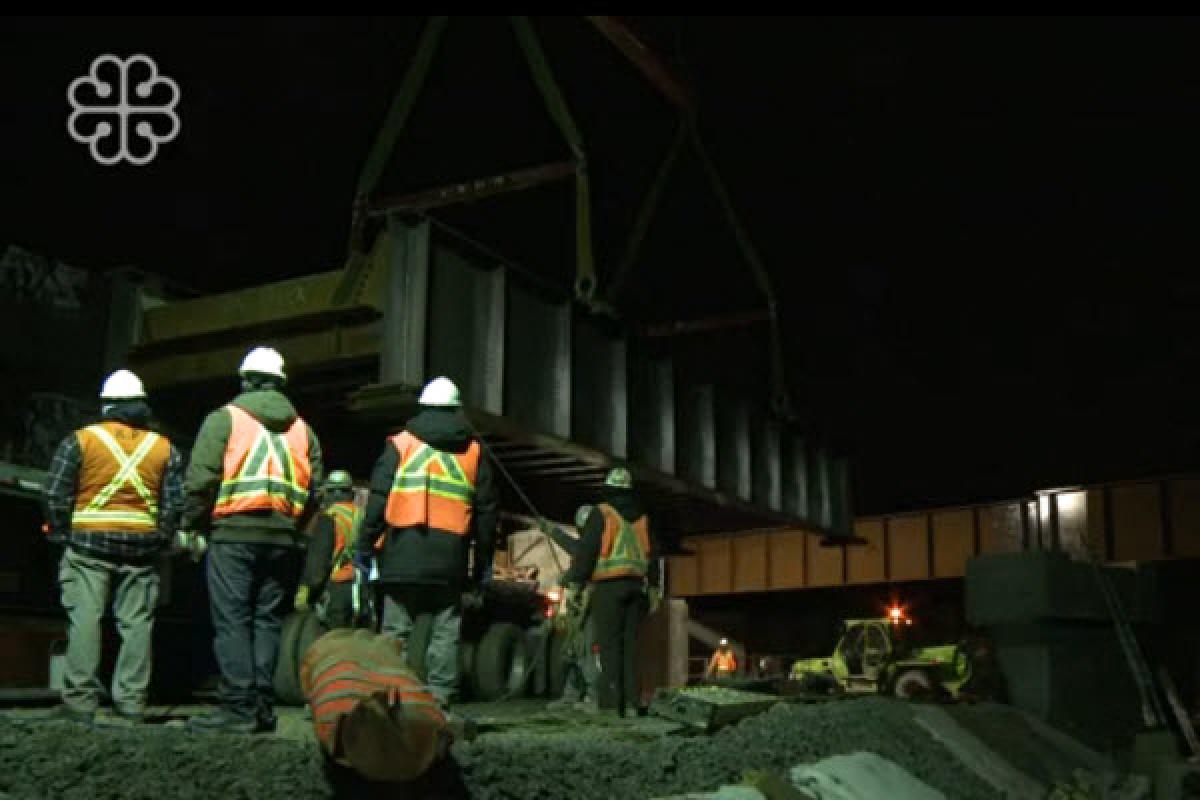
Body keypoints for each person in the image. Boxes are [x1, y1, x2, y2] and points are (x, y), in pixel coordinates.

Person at [182, 346, 323, 733]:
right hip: (283, 541)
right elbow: (316, 492)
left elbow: (201, 480)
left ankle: (237, 708)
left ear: (245, 380)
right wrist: (294, 530)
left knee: (233, 620)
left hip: (233, 534)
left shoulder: (224, 419)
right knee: (267, 621)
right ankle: (261, 706)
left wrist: (191, 523)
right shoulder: (304, 431)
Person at [42, 369, 184, 725]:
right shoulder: (163, 447)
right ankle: (132, 702)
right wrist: (160, 537)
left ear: (106, 405)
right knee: (137, 624)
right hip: (142, 551)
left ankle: (80, 702)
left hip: (88, 547)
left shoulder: (81, 440)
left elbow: (55, 493)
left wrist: (62, 533)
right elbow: (174, 503)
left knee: (85, 619)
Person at [359, 376, 498, 708]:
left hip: (401, 555)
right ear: (457, 409)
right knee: (445, 633)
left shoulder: (400, 443)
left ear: (422, 407)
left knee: (395, 634)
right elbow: (486, 516)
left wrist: (364, 546)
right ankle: (438, 703)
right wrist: (482, 567)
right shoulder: (474, 452)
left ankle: (393, 700)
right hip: (448, 561)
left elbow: (378, 501)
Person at [561, 467, 660, 717]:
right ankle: (632, 703)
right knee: (630, 647)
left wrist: (576, 583)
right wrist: (655, 588)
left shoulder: (602, 513)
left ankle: (611, 705)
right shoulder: (643, 518)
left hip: (608, 588)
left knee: (609, 647)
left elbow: (587, 551)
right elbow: (654, 555)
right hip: (637, 588)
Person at [540, 505, 599, 711]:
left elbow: (579, 556)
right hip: (581, 604)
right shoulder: (588, 544)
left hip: (591, 605)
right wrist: (551, 530)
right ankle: (571, 695)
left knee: (585, 650)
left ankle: (593, 697)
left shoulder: (595, 547)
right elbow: (573, 546)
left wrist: (567, 577)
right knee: (573, 649)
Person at [295, 470, 363, 629]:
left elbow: (319, 561)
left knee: (334, 643)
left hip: (336, 588)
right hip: (361, 589)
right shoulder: (362, 516)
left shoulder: (329, 518)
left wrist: (306, 589)